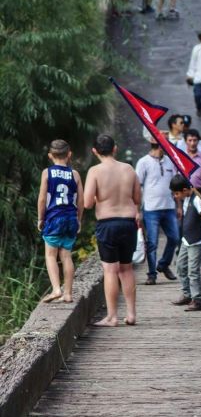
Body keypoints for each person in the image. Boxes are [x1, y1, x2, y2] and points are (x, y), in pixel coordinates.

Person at [83, 134, 141, 327]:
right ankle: (131, 314)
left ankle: (112, 317)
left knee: (110, 270)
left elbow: (88, 203)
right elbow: (137, 198)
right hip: (128, 223)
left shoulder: (95, 171)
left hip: (107, 224)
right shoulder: (128, 169)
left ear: (94, 151)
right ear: (115, 148)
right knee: (126, 269)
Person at [37, 139, 84, 303]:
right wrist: (78, 220)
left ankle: (57, 289)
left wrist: (41, 218)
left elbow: (42, 199)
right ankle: (68, 294)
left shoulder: (47, 173)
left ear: (50, 155)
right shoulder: (75, 174)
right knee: (66, 256)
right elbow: (80, 201)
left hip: (54, 217)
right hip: (70, 218)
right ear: (69, 154)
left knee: (50, 255)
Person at [135, 137, 180, 285]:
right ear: (160, 146)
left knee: (175, 238)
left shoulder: (169, 161)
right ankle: (152, 274)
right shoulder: (143, 162)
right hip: (151, 208)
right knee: (152, 243)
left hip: (169, 206)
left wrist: (178, 205)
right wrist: (138, 210)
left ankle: (163, 264)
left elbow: (176, 185)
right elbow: (137, 187)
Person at [169, 175, 201, 312]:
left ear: (185, 190)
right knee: (181, 266)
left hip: (197, 240)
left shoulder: (197, 200)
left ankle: (196, 300)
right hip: (186, 240)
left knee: (193, 271)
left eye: (177, 193)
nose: (176, 196)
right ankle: (187, 294)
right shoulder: (186, 198)